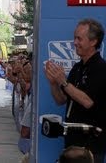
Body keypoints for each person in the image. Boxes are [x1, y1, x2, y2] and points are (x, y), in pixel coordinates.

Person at [44, 18, 106, 163]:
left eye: (79, 38)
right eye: (74, 38)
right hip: (72, 143)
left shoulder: (101, 69)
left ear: (93, 42)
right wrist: (53, 83)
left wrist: (63, 82)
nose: (75, 43)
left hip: (90, 146)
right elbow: (61, 100)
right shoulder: (77, 68)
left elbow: (87, 102)